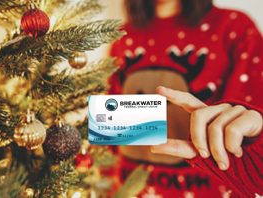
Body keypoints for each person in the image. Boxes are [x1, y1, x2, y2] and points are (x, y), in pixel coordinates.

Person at [108, 0, 263, 197]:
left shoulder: (234, 27)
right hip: (129, 189)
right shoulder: (123, 36)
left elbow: (249, 132)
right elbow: (111, 129)